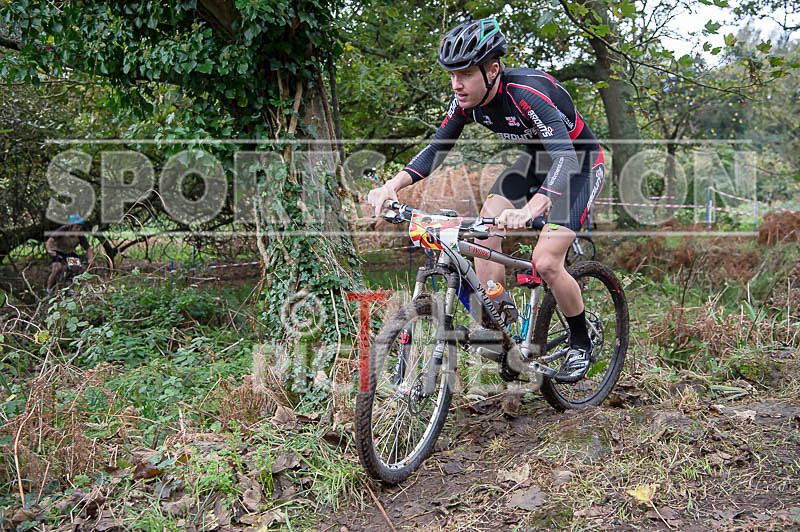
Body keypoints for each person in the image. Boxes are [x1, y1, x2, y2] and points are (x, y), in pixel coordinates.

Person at [367, 17, 606, 383]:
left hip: (579, 166)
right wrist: (391, 186)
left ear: (493, 69)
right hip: (533, 163)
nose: (456, 84)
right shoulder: (466, 102)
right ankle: (499, 309)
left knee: (545, 261)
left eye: (464, 73)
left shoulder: (529, 93)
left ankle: (580, 340)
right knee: (486, 223)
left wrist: (531, 209)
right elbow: (436, 149)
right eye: (451, 74)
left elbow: (566, 159)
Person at [46, 214, 93, 293]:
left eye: (80, 228)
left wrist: (90, 259)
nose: (78, 229)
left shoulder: (80, 235)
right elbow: (50, 240)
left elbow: (88, 248)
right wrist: (49, 250)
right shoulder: (62, 230)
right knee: (57, 268)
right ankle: (49, 288)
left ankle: (70, 284)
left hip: (69, 253)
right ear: (71, 226)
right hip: (57, 252)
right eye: (76, 227)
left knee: (76, 266)